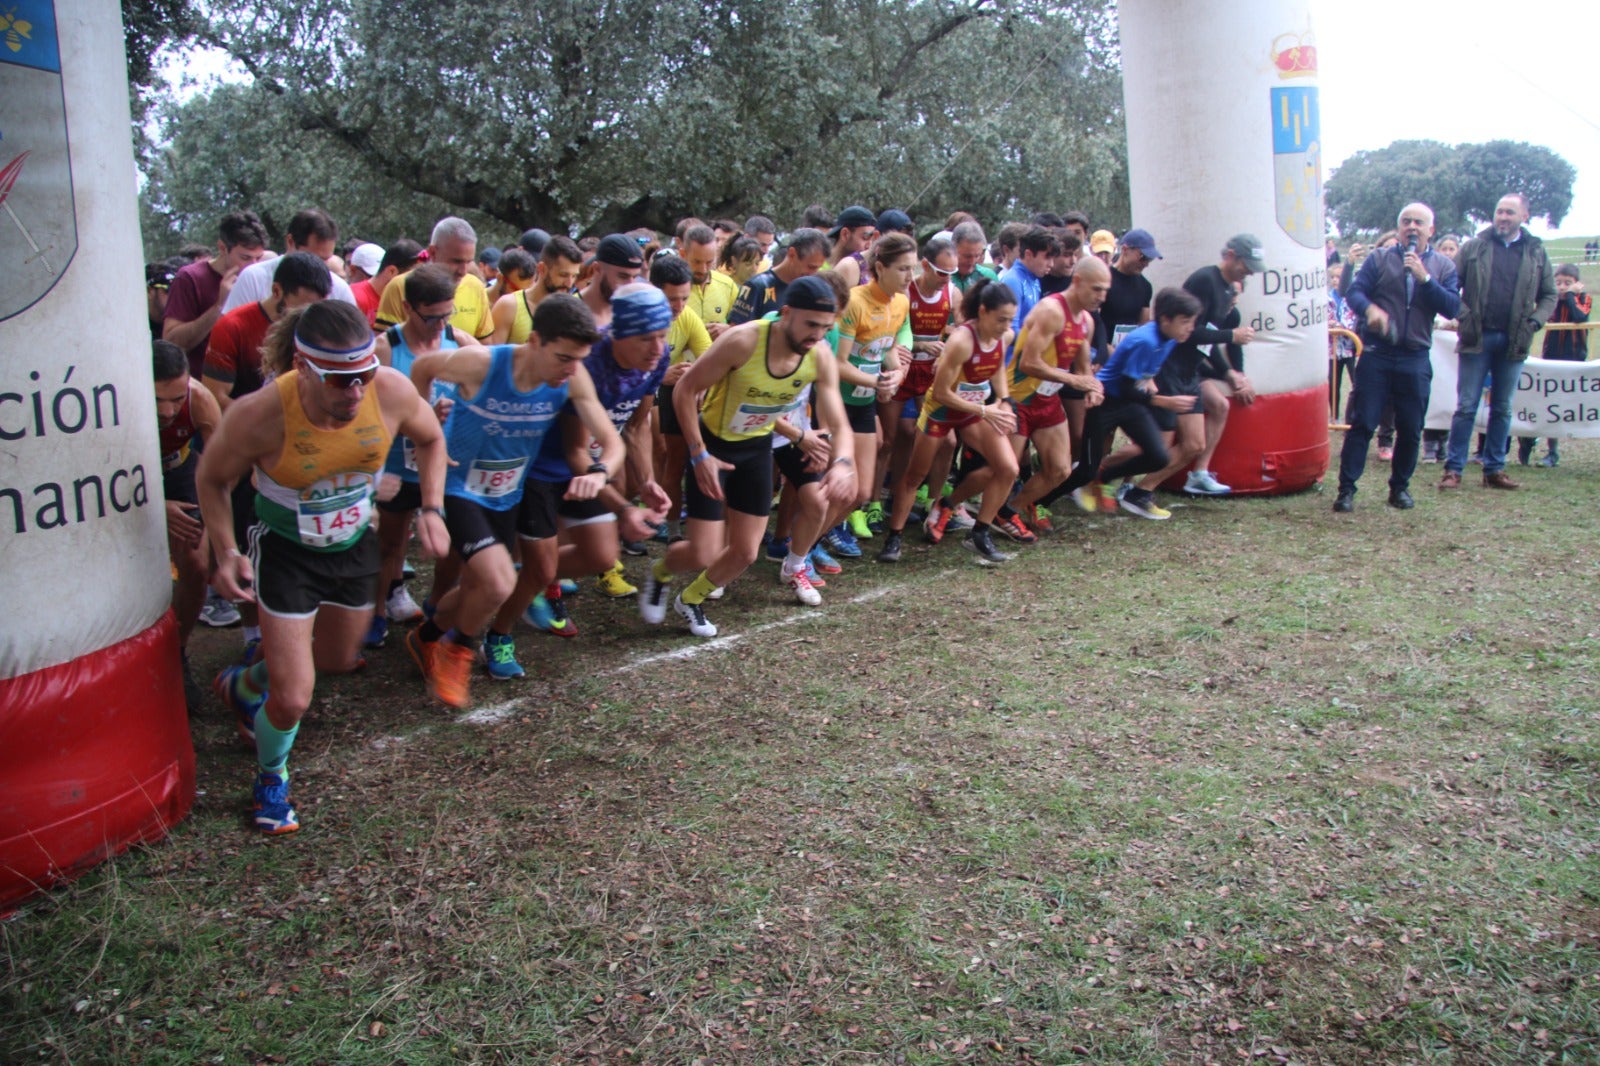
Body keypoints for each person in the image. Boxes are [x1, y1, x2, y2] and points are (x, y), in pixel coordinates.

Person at [201, 301, 450, 834]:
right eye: (340, 381)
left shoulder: (391, 390)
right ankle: (271, 776)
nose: (356, 392)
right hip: (287, 551)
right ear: (302, 366)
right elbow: (212, 479)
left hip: (355, 544)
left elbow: (430, 438)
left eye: (363, 375)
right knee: (294, 697)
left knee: (335, 660)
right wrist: (225, 550)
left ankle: (248, 684)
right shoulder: (260, 414)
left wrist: (431, 507)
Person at [405, 295, 618, 704]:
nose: (572, 369)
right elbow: (422, 367)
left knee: (479, 587)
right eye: (563, 357)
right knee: (499, 581)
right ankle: (460, 649)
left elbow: (610, 441)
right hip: (458, 487)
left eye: (580, 359)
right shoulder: (482, 363)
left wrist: (600, 472)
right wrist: (425, 419)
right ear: (534, 340)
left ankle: (425, 637)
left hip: (507, 494)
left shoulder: (572, 378)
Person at [642, 276, 858, 635]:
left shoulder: (818, 354)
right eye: (810, 325)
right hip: (713, 446)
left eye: (825, 327)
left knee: (745, 552)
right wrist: (697, 455)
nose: (816, 336)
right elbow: (684, 389)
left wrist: (845, 463)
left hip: (755, 448)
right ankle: (660, 573)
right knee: (702, 551)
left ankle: (690, 600)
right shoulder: (743, 341)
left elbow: (839, 420)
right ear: (786, 313)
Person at [879, 278, 1020, 564]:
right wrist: (984, 411)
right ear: (982, 312)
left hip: (974, 410)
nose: (1007, 327)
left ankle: (979, 533)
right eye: (1001, 319)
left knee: (1008, 468)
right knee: (916, 476)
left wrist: (1004, 400)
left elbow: (997, 370)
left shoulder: (1004, 336)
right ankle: (894, 537)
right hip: (941, 411)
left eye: (1010, 320)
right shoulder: (960, 342)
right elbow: (942, 393)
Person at [1334, 203, 1460, 512]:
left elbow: (1452, 307)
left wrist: (1425, 279)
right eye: (1406, 222)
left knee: (1411, 427)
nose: (1412, 227)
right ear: (1399, 226)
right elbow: (1354, 292)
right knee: (1363, 423)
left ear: (1431, 229)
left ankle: (1399, 488)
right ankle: (1346, 490)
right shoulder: (1379, 259)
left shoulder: (1443, 267)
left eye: (1419, 222)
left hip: (1415, 356)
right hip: (1378, 353)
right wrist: (1370, 310)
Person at [368, 264, 466, 649]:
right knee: (390, 544)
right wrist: (420, 414)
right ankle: (376, 612)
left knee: (455, 542)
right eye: (432, 317)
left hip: (444, 463)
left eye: (448, 314)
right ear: (408, 308)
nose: (441, 325)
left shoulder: (459, 342)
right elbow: (370, 417)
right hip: (396, 463)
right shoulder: (384, 350)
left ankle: (438, 604)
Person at [1052, 287, 1205, 520]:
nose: (1190, 328)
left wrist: (1151, 382)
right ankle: (1040, 501)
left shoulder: (1170, 338)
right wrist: (1163, 401)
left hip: (1129, 402)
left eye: (1192, 322)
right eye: (1185, 322)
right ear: (1165, 319)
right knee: (1085, 471)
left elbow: (1140, 378)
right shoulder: (1145, 340)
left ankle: (1103, 476)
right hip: (1104, 402)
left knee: (1159, 456)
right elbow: (1123, 387)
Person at [1439, 193, 1556, 492]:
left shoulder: (1536, 251)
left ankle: (1494, 469)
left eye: (1509, 212)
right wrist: (1463, 315)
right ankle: (1453, 469)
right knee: (1466, 406)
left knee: (1503, 408)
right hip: (1477, 337)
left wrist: (1534, 322)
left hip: (1514, 340)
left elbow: (1549, 295)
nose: (1503, 217)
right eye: (1499, 212)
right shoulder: (1474, 246)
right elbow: (1451, 287)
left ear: (1524, 216)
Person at [823, 232, 913, 556]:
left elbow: (886, 349)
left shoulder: (901, 302)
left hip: (863, 401)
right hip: (835, 400)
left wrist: (896, 374)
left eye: (912, 268)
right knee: (831, 485)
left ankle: (817, 538)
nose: (910, 277)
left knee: (859, 492)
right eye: (903, 269)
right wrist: (878, 382)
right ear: (880, 266)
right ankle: (801, 548)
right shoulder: (855, 301)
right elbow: (838, 363)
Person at [1004, 258, 1110, 527]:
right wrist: (1075, 381)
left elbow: (1084, 366)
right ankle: (956, 509)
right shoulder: (1051, 310)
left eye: (1105, 290)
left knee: (1060, 470)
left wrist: (1092, 388)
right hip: (1018, 397)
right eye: (1096, 289)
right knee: (1007, 470)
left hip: (1047, 399)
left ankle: (1009, 512)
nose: (1102, 297)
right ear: (1077, 282)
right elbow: (1029, 362)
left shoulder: (1087, 320)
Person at [154, 339, 223, 711]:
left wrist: (214, 537)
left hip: (179, 472)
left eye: (175, 398)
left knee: (196, 565)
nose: (168, 411)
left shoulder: (200, 400)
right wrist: (153, 506)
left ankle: (177, 656)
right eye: (157, 400)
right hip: (128, 480)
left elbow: (219, 475)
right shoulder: (115, 402)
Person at [1177, 234, 1264, 496]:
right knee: (1168, 439)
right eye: (1245, 265)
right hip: (1174, 365)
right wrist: (1231, 340)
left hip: (1194, 367)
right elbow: (1192, 332)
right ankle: (1122, 480)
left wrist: (1236, 375)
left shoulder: (1229, 292)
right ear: (1229, 256)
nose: (1248, 272)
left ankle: (1199, 474)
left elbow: (1221, 342)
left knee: (1219, 405)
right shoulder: (1205, 280)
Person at [163, 210, 269, 377]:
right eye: (245, 258)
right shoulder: (189, 278)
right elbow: (172, 342)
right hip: (203, 385)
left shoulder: (260, 276)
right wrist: (220, 305)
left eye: (258, 258)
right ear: (222, 248)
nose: (253, 266)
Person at [376, 217, 496, 342]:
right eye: (456, 261)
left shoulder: (475, 286)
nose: (463, 271)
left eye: (469, 262)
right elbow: (386, 350)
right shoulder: (400, 286)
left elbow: (485, 347)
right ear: (432, 252)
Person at [1519, 264, 1589, 466]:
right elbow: (1543, 315)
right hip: (1551, 357)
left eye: (1568, 283)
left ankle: (1552, 451)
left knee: (1566, 406)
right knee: (1548, 403)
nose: (1563, 287)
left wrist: (1569, 296)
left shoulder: (1584, 299)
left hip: (1575, 359)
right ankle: (1536, 443)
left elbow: (1579, 317)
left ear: (1577, 283)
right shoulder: (1552, 301)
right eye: (1558, 283)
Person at [222, 208, 356, 314]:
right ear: (290, 242)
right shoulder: (253, 279)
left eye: (325, 260)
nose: (318, 266)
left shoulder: (339, 289)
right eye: (312, 257)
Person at [490, 235, 585, 344]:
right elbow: (493, 357)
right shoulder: (509, 306)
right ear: (542, 269)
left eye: (574, 276)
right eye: (563, 275)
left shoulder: (573, 312)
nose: (569, 283)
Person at [728, 228, 828, 325]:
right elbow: (736, 334)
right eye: (811, 267)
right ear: (792, 254)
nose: (814, 273)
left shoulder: (811, 290)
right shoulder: (757, 286)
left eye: (818, 268)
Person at [680, 224, 740, 338]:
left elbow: (745, 326)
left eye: (709, 262)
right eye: (696, 262)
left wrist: (728, 329)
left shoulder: (728, 285)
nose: (703, 269)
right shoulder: (670, 289)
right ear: (683, 254)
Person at [828, 205, 877, 288]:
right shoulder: (818, 266)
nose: (869, 245)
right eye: (865, 238)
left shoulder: (869, 270)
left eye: (872, 240)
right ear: (845, 234)